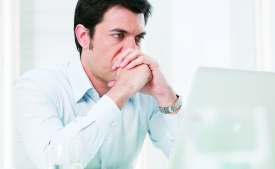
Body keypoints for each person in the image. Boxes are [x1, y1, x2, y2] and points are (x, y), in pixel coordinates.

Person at [13, 0, 183, 168]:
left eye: (138, 38)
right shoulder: (36, 86)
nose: (132, 49)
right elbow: (54, 160)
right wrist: (121, 90)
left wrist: (166, 96)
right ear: (83, 37)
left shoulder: (145, 92)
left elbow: (195, 159)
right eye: (118, 35)